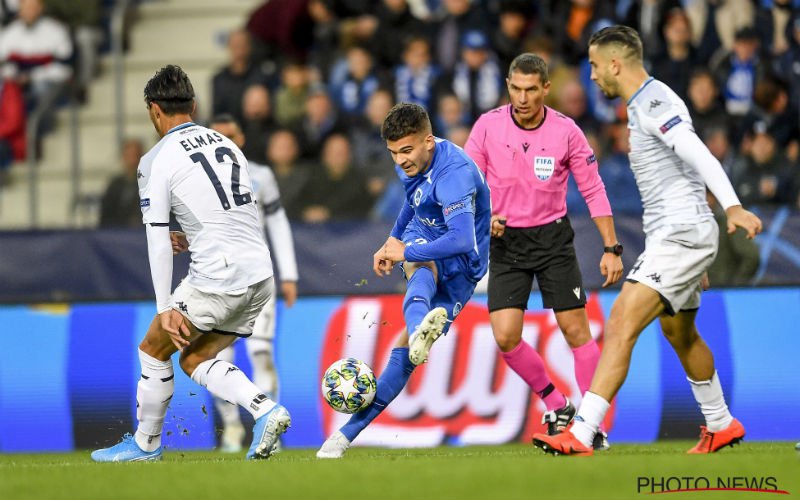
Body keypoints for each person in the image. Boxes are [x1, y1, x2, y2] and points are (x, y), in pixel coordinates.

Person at [532, 25, 762, 456]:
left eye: (596, 66)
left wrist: (731, 207)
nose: (593, 76)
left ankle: (581, 433)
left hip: (681, 233)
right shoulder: (644, 104)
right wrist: (701, 248)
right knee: (681, 332)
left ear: (616, 64)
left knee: (621, 320)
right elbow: (684, 173)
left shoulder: (655, 103)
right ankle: (721, 423)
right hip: (679, 235)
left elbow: (699, 155)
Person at [91, 65, 290, 462]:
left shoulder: (155, 159)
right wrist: (189, 233)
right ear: (194, 106)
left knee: (153, 349)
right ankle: (266, 409)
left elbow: (155, 237)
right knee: (196, 357)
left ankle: (146, 445)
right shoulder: (227, 144)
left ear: (153, 110)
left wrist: (165, 305)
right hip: (259, 273)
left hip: (219, 275)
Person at [464, 52, 624, 451]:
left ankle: (590, 427)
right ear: (508, 86)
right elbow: (467, 185)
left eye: (531, 89)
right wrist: (485, 219)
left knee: (575, 331)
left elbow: (593, 189)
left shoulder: (566, 132)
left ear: (545, 89)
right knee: (505, 336)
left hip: (552, 240)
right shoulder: (487, 127)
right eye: (516, 88)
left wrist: (611, 247)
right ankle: (558, 405)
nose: (522, 97)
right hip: (506, 242)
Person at [316, 102, 491, 459]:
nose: (400, 161)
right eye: (393, 153)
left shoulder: (453, 173)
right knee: (408, 338)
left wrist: (404, 251)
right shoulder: (411, 160)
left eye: (406, 151)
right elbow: (413, 202)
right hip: (425, 236)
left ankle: (417, 327)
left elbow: (461, 240)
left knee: (416, 265)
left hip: (466, 262)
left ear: (429, 140)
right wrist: (393, 240)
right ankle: (342, 438)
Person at [204, 114, 299, 453]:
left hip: (259, 277)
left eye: (230, 135)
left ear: (241, 137)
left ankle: (267, 428)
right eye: (218, 137)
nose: (225, 142)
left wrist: (289, 274)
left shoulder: (260, 176)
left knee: (260, 352)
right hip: (217, 281)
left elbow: (278, 222)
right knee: (219, 357)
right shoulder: (197, 181)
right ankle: (231, 428)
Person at [98, 138, 145, 228]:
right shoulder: (115, 185)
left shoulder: (151, 183)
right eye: (129, 156)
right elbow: (105, 215)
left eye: (135, 156)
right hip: (117, 234)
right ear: (123, 158)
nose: (132, 161)